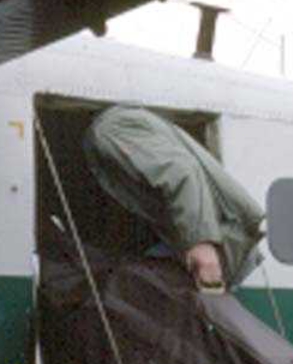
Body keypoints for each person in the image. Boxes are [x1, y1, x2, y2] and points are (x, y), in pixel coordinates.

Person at [82, 105, 266, 291]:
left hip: (218, 244)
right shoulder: (126, 121)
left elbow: (180, 171)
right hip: (219, 240)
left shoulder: (110, 129)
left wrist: (201, 244)